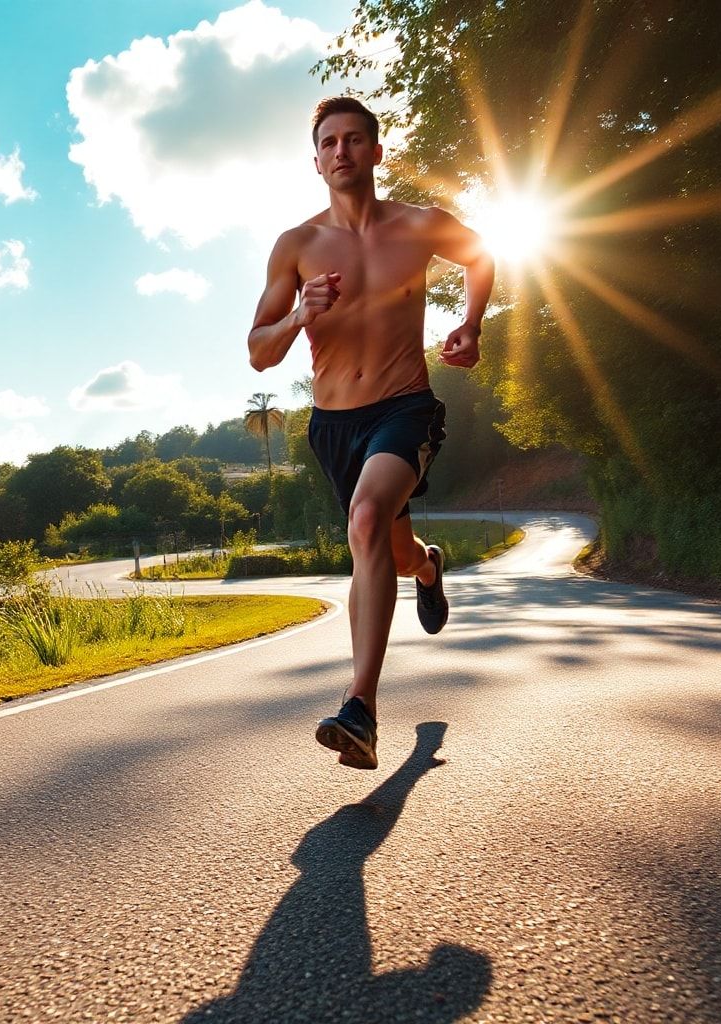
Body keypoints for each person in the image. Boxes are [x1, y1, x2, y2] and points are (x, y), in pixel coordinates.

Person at [246, 96, 495, 770]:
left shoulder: (418, 226)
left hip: (403, 408)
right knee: (386, 542)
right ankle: (428, 564)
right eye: (330, 143)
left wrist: (472, 324)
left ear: (377, 152)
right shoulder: (296, 247)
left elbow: (479, 256)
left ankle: (361, 708)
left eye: (356, 140)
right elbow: (258, 351)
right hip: (334, 426)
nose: (343, 152)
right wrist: (299, 316)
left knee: (363, 522)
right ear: (317, 160)